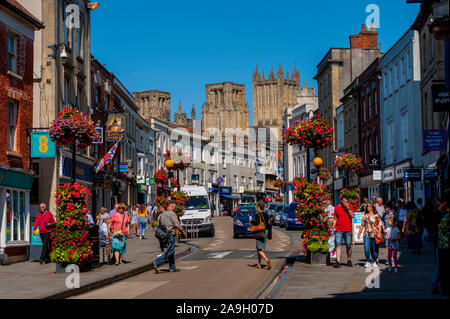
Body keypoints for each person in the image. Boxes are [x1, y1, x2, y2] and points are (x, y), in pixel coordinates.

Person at [153, 200, 187, 273]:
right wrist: (183, 232)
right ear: (171, 206)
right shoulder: (172, 214)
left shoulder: (162, 214)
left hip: (163, 235)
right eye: (174, 206)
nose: (175, 207)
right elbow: (177, 224)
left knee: (170, 251)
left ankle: (172, 267)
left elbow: (160, 225)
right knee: (170, 251)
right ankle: (157, 262)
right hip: (170, 234)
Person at [357, 202, 383, 267]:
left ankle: (374, 261)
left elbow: (379, 225)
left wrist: (379, 233)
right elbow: (362, 225)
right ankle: (368, 261)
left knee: (374, 249)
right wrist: (359, 233)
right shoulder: (365, 216)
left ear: (372, 207)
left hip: (375, 234)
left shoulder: (376, 216)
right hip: (366, 234)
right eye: (367, 206)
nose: (368, 207)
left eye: (369, 206)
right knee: (366, 248)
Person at [332, 197, 355, 268]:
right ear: (341, 201)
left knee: (348, 245)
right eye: (344, 201)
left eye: (346, 201)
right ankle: (338, 261)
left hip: (348, 229)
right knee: (338, 245)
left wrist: (348, 208)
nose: (345, 202)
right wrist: (332, 228)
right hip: (339, 229)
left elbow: (352, 216)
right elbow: (335, 219)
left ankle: (349, 260)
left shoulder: (350, 207)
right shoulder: (336, 208)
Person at [249, 201, 273, 270]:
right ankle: (259, 264)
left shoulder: (257, 214)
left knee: (259, 249)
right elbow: (268, 225)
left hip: (260, 232)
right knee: (259, 249)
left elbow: (256, 223)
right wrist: (269, 236)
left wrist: (251, 221)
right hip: (266, 232)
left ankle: (267, 260)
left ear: (258, 207)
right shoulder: (266, 214)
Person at [437, 198, 449, 296]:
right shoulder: (444, 217)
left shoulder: (444, 218)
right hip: (443, 245)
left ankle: (444, 289)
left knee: (443, 268)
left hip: (443, 245)